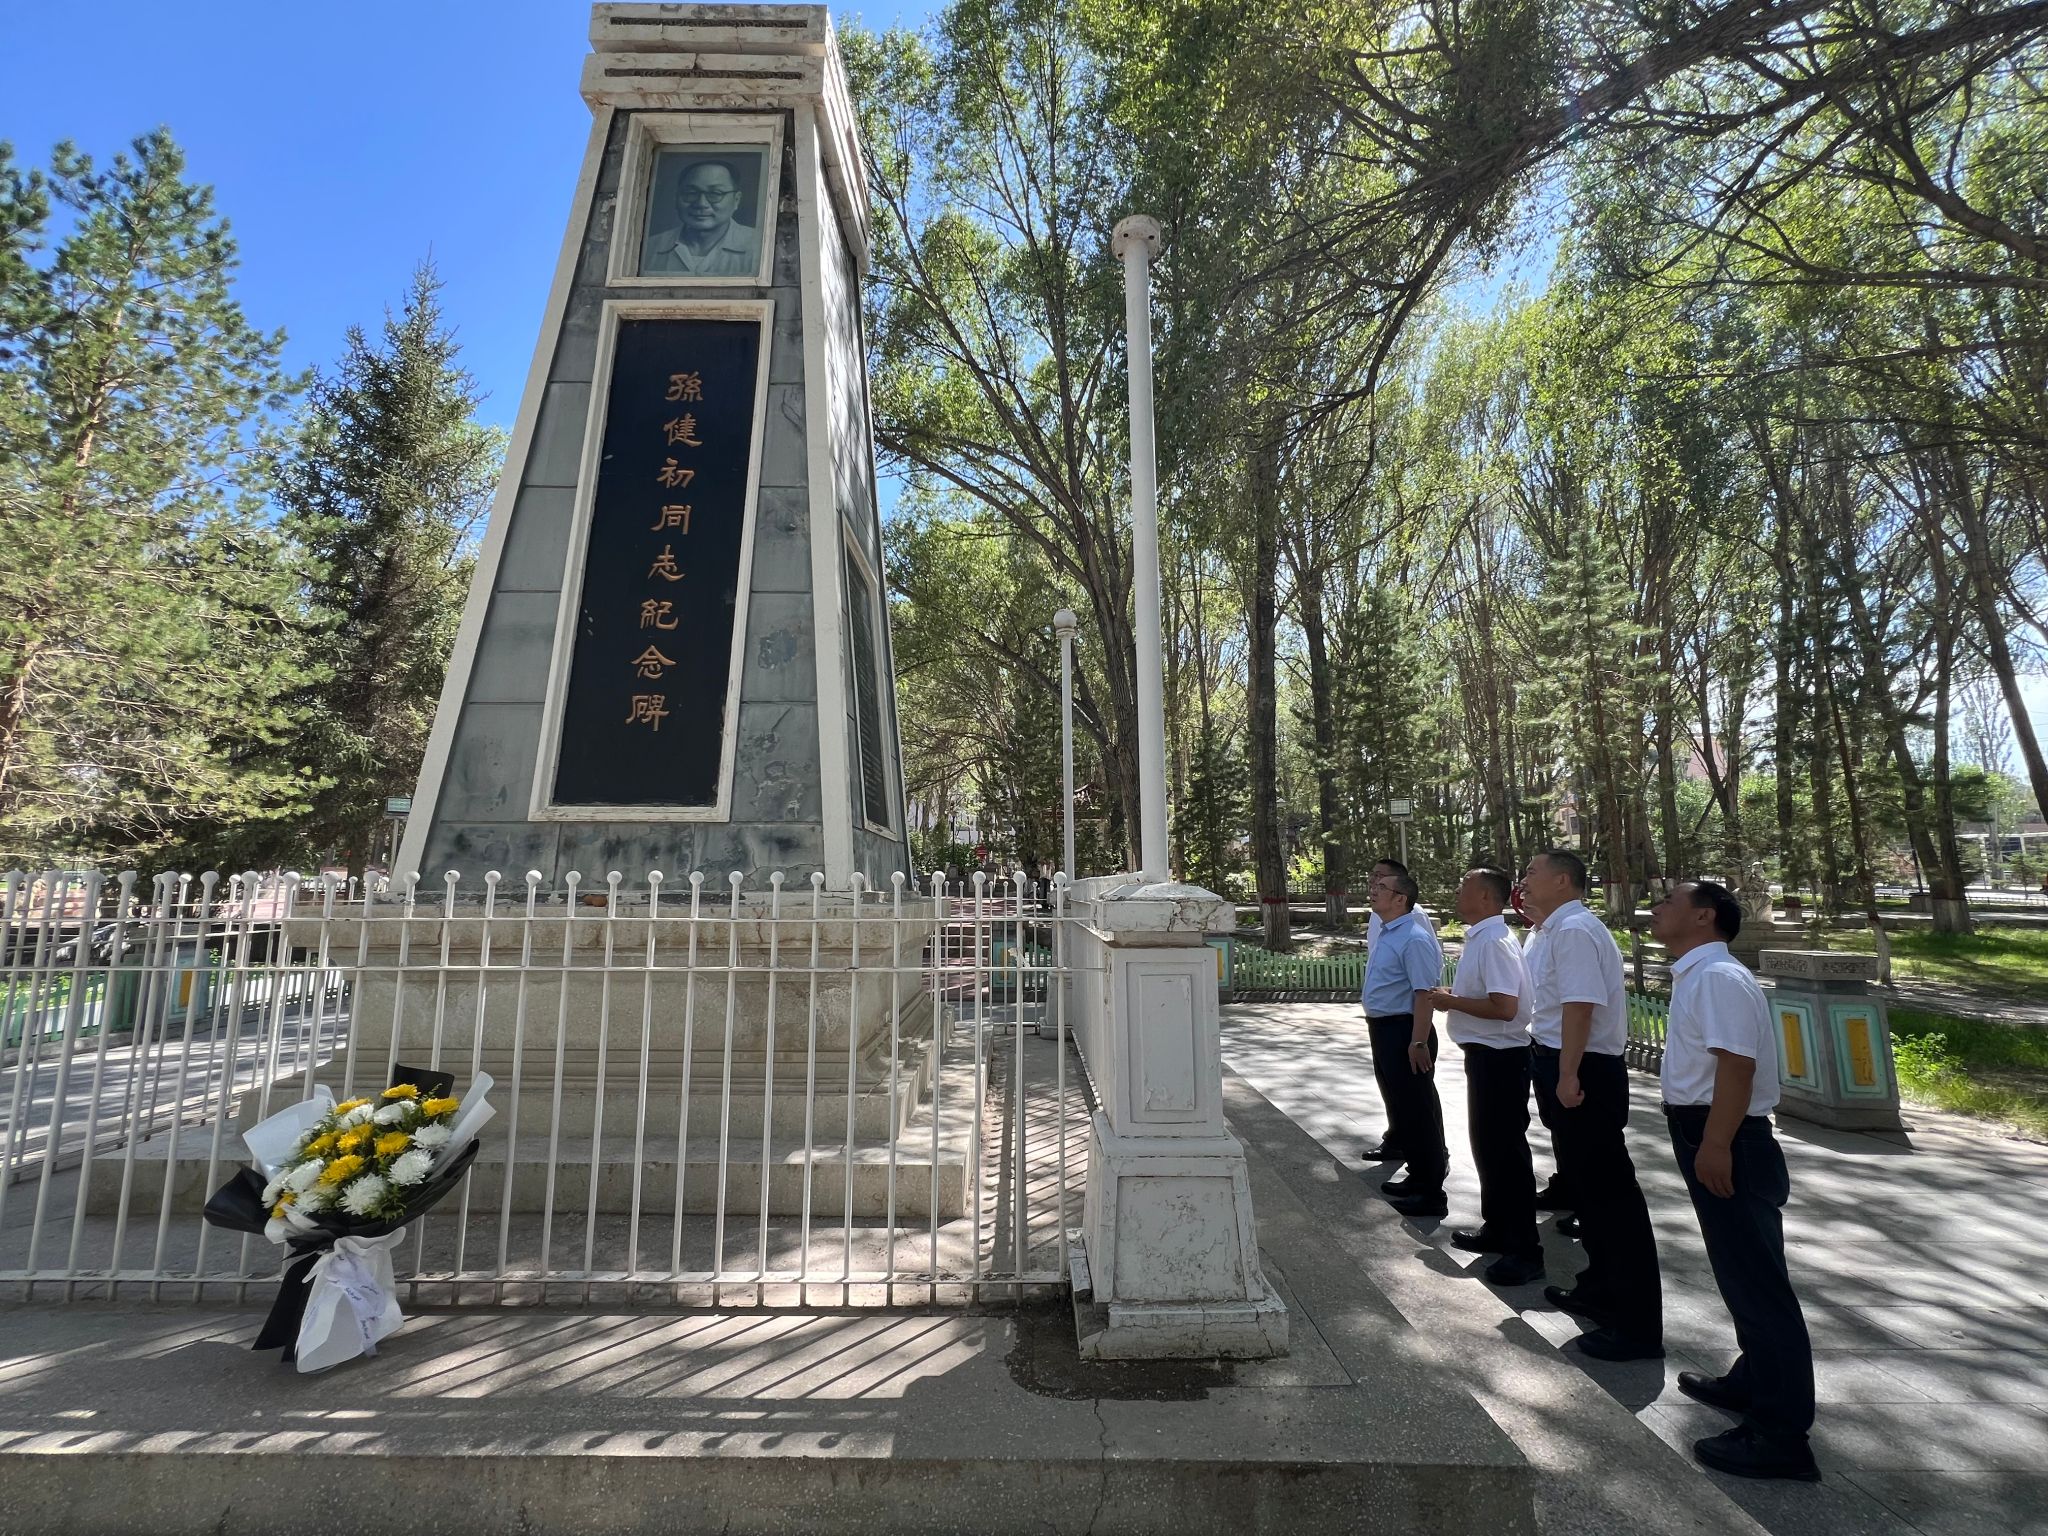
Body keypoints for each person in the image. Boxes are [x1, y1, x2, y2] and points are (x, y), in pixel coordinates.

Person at [1651, 880, 1820, 1481]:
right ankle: (1754, 1380)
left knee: (1758, 1284)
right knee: (1742, 1271)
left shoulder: (1719, 977)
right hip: (1711, 1130)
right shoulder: (1700, 974)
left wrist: (1717, 1143)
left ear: (1704, 917)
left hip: (1729, 1137)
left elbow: (1737, 1066)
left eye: (1669, 901)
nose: (1656, 908)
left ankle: (1780, 1434)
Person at [1520, 848, 1662, 1360]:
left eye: (1533, 871)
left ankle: (1635, 1324)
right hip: (1563, 1061)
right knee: (1587, 1190)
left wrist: (1568, 1073)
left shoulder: (1576, 930)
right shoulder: (1555, 929)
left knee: (1609, 1196)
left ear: (1563, 881)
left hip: (1584, 1070)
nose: (1524, 879)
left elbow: (1580, 1005)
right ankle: (1599, 1289)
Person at [1425, 867, 1542, 1286]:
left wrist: (1451, 1002)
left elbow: (1504, 1007)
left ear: (1488, 898)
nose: (1458, 892)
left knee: (1506, 1153)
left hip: (1502, 1059)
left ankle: (1524, 1250)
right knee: (1489, 1149)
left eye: (1465, 887)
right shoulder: (1482, 937)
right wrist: (1455, 998)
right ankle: (1499, 1228)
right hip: (1487, 1057)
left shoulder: (1493, 942)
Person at [1361, 862, 1448, 1217]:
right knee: (1404, 1108)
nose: (1373, 889)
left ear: (1400, 898)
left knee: (1417, 1110)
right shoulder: (1389, 932)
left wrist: (1418, 1042)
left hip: (1405, 1030)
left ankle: (1431, 1191)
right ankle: (1417, 1175)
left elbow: (1424, 993)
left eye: (1382, 886)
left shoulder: (1414, 937)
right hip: (1385, 1029)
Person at [643, 159, 762, 277]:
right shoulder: (649, 248)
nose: (701, 203)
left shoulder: (760, 247)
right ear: (676, 198)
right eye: (691, 193)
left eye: (715, 193)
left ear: (736, 200)